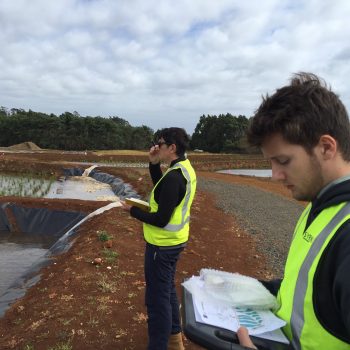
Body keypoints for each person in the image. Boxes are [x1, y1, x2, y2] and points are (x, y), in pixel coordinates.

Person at [238, 72, 350, 349]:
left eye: (284, 161)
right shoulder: (320, 207)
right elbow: (309, 291)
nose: (275, 175)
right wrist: (256, 290)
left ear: (326, 147)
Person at [122, 127, 197, 350]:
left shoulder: (175, 176)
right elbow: (163, 192)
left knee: (157, 301)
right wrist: (154, 163)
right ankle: (175, 340)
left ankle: (158, 345)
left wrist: (131, 211)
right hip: (173, 242)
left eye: (160, 143)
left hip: (161, 246)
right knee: (166, 291)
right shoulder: (183, 168)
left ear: (172, 148)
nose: (156, 146)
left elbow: (162, 218)